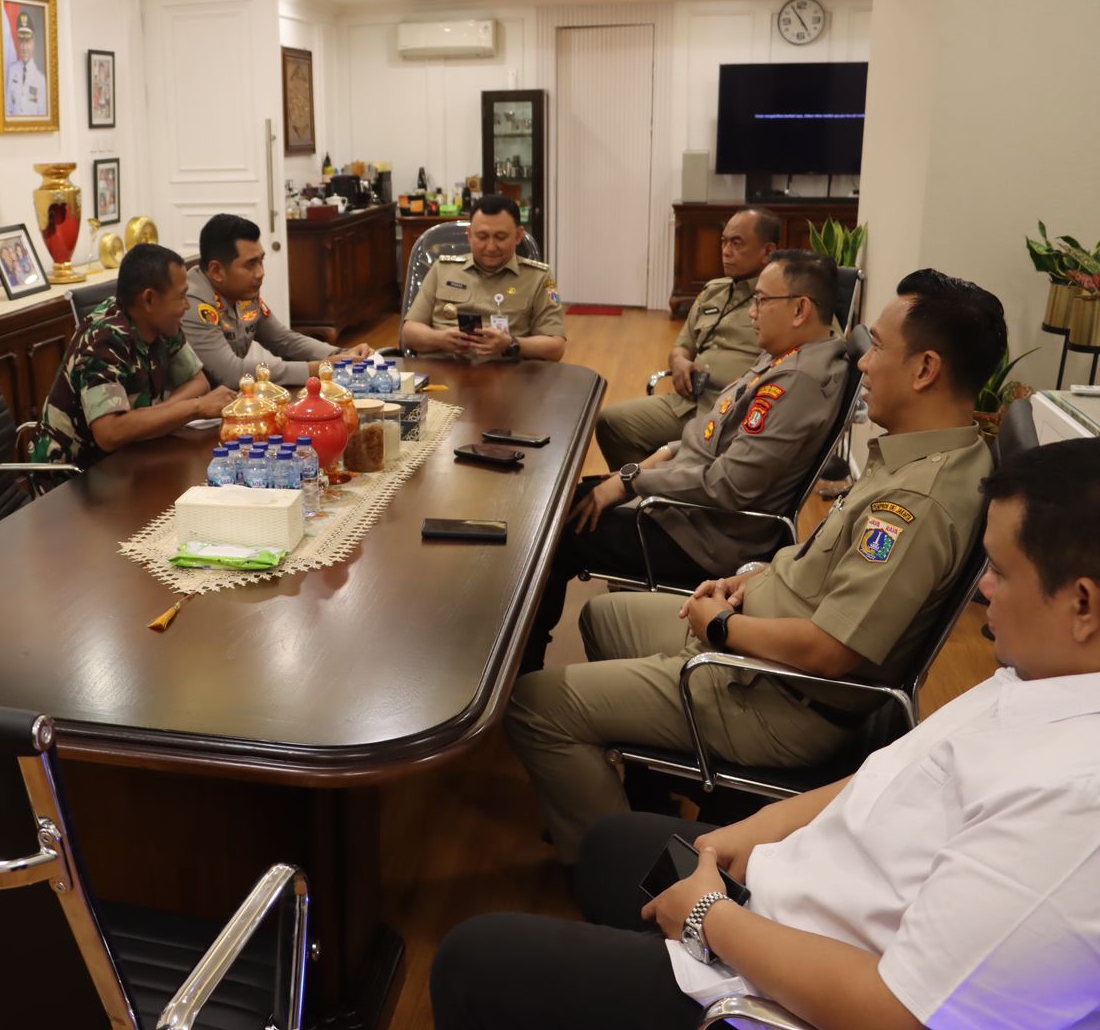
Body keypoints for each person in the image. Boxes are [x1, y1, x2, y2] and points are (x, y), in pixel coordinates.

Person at [434, 438, 1100, 1030]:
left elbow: (899, 1013)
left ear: (1082, 605)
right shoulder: (1041, 674)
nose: (982, 590)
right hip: (795, 899)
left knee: (472, 961)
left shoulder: (1076, 805)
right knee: (612, 847)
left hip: (787, 991)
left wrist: (710, 919)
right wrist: (745, 837)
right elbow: (888, 771)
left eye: (1000, 573)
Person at [507, 269, 1007, 866]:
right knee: (606, 619)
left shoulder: (918, 502)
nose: (865, 364)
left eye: (877, 347)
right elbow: (827, 562)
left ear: (925, 370)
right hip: (760, 637)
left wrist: (720, 628)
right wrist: (754, 580)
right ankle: (644, 804)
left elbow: (832, 652)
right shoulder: (922, 449)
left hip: (778, 694)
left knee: (535, 705)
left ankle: (638, 875)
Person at [521, 250, 848, 672]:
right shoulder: (788, 354)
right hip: (688, 505)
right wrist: (658, 457)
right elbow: (715, 435)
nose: (752, 312)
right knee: (570, 498)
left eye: (762, 301)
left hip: (705, 536)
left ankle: (524, 669)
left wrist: (632, 482)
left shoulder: (797, 381)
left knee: (559, 531)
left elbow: (727, 486)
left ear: (800, 308)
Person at [596, 208, 779, 469]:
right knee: (611, 422)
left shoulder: (782, 302)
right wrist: (679, 361)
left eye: (737, 243)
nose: (726, 251)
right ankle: (644, 499)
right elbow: (682, 346)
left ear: (768, 251)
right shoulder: (713, 291)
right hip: (688, 404)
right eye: (724, 242)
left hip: (733, 416)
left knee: (678, 464)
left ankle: (664, 492)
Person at [29, 243, 234, 470]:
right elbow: (110, 433)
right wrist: (195, 408)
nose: (187, 305)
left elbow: (198, 382)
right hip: (72, 479)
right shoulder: (104, 339)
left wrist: (156, 417)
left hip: (129, 460)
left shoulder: (163, 324)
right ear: (149, 300)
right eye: (182, 296)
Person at [183, 213, 372, 389]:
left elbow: (284, 340)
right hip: (195, 415)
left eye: (261, 261)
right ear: (216, 271)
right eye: (250, 264)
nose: (260, 273)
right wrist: (317, 369)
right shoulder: (193, 304)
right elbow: (232, 372)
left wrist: (341, 354)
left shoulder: (242, 293)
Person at [401, 195, 567, 361]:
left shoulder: (538, 278)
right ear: (470, 235)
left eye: (500, 237)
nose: (491, 246)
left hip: (507, 377)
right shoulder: (443, 269)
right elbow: (409, 333)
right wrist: (441, 340)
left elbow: (555, 347)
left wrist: (510, 344)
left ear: (518, 236)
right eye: (482, 237)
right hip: (442, 374)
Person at [4, 12, 47, 117]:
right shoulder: (12, 70)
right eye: (21, 42)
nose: (24, 48)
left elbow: (42, 116)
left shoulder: (40, 80)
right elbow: (8, 109)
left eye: (27, 42)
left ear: (33, 43)